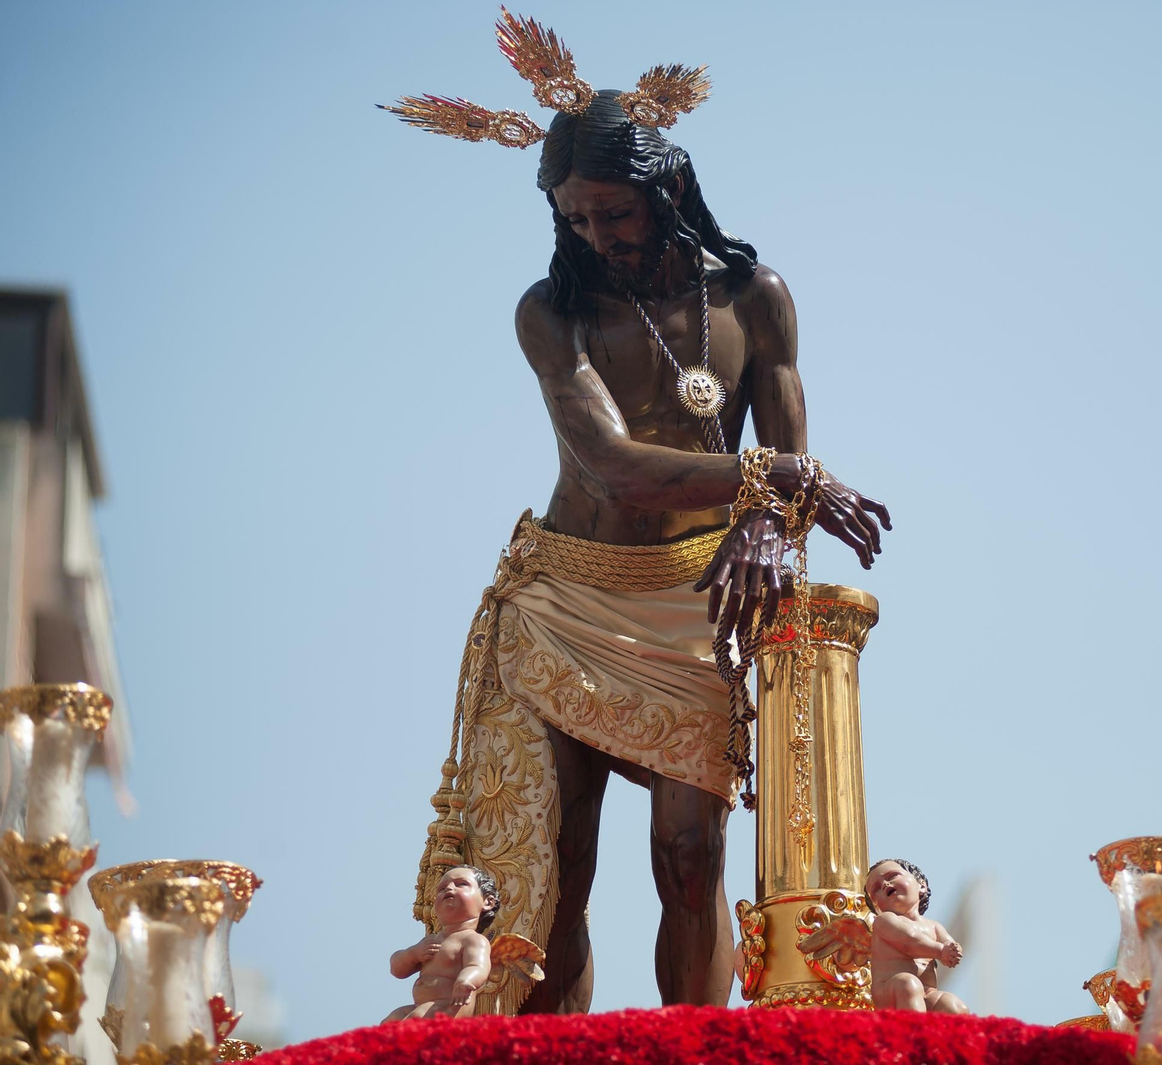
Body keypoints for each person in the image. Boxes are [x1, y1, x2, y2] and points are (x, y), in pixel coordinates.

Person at [381, 13, 890, 1014]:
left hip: (699, 600)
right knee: (555, 859)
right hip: (567, 595)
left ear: (667, 192)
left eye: (613, 215)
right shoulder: (552, 311)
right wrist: (773, 477)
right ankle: (547, 1043)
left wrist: (764, 517)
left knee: (691, 853)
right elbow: (614, 466)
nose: (596, 238)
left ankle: (689, 1040)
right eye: (573, 219)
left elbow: (780, 486)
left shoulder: (754, 296)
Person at [384, 866, 498, 1022]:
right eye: (441, 888)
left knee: (412, 1022)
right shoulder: (431, 941)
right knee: (391, 1020)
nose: (449, 888)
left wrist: (466, 981)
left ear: (487, 901)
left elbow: (478, 966)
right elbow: (396, 969)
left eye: (461, 884)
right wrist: (413, 953)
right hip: (421, 1005)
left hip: (450, 1005)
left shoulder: (472, 939)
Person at [864, 859, 969, 1014]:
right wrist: (940, 951)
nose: (885, 885)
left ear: (921, 885)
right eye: (876, 889)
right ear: (877, 908)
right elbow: (909, 941)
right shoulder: (885, 921)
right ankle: (915, 1033)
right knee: (908, 984)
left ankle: (958, 1037)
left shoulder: (934, 926)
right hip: (892, 989)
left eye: (892, 876)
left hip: (928, 992)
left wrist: (953, 950)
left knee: (952, 1005)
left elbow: (949, 943)